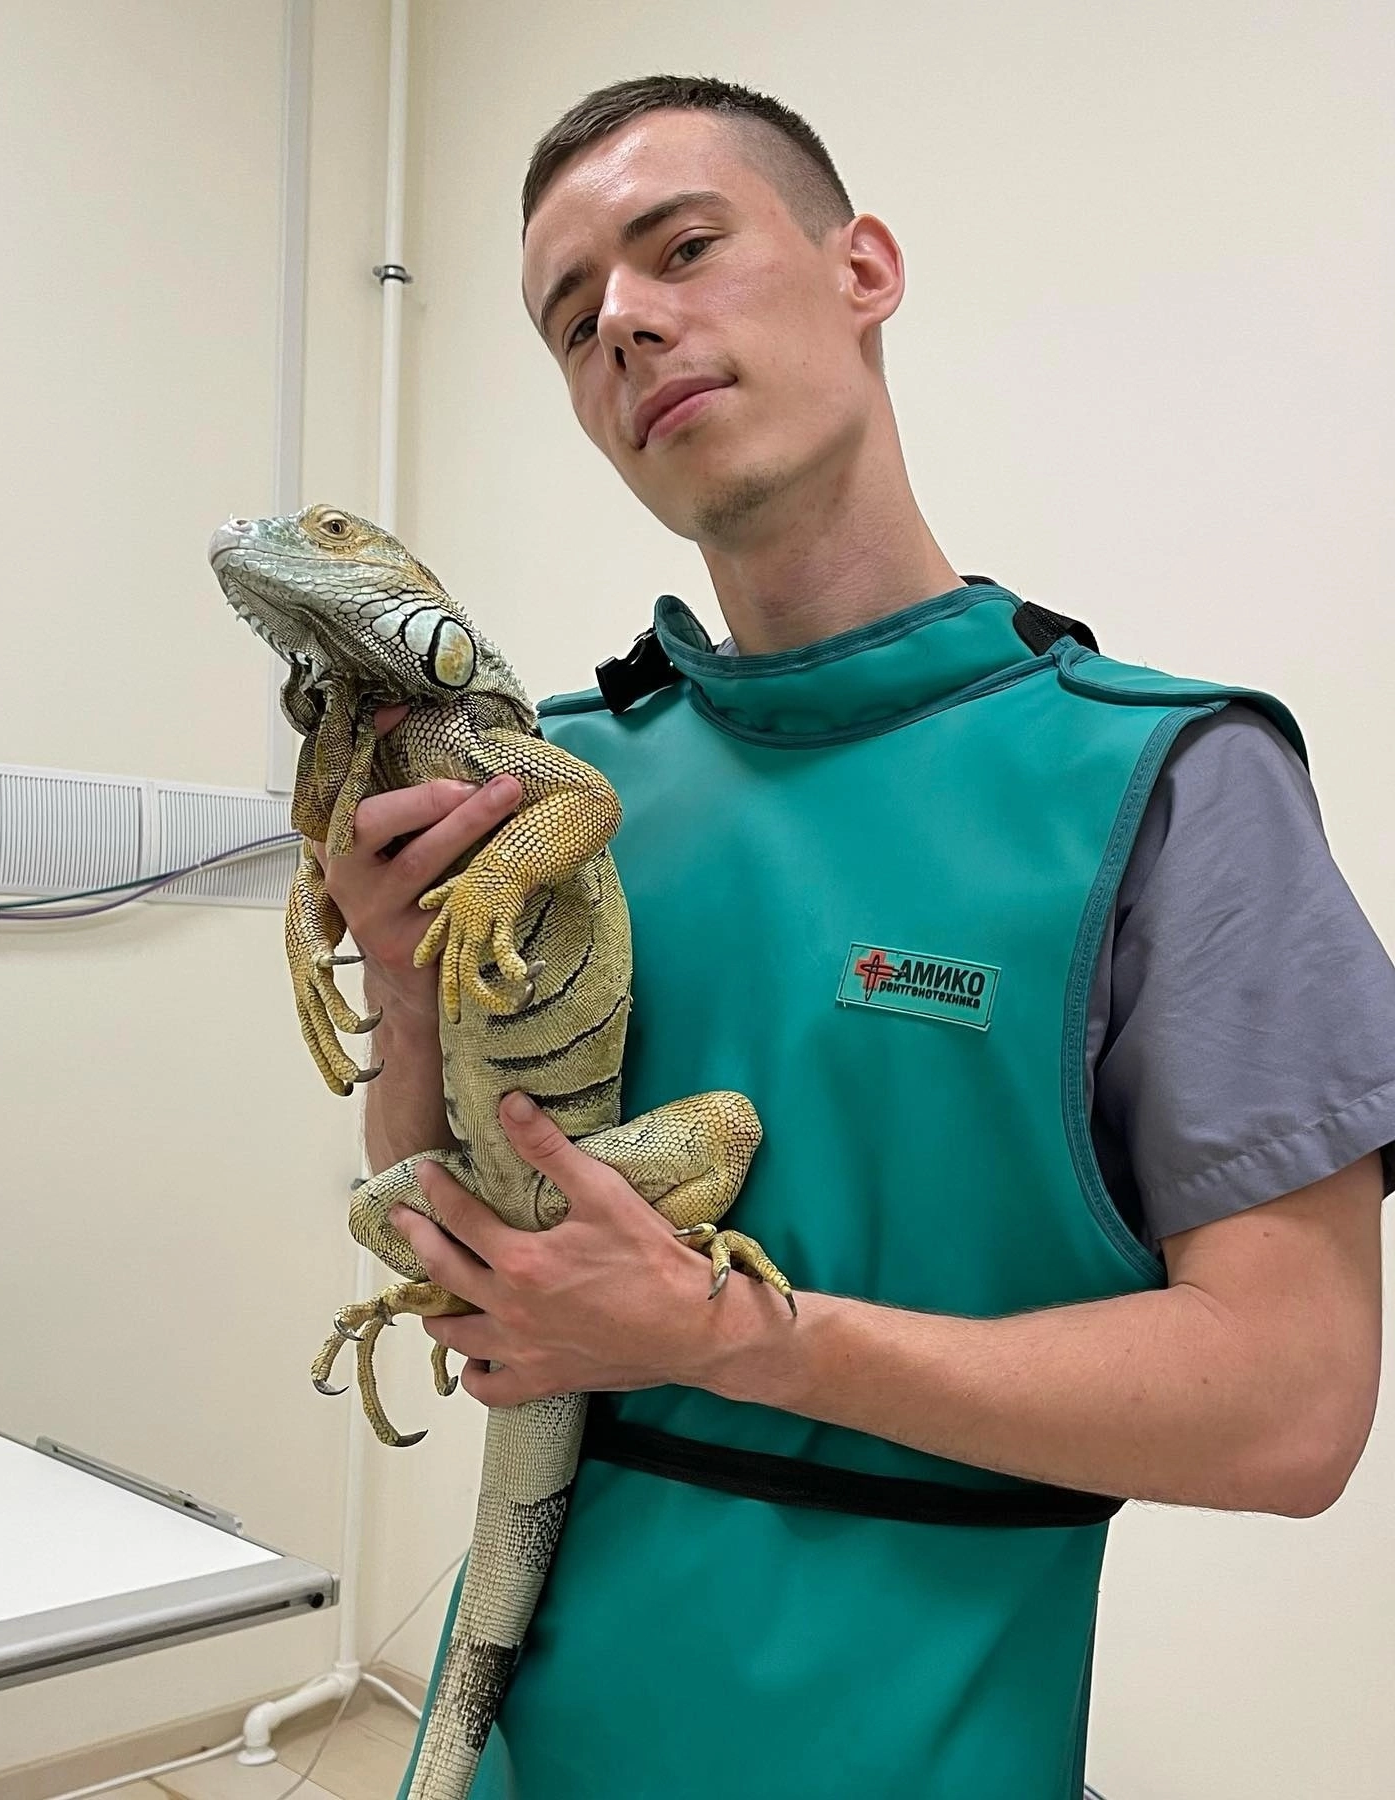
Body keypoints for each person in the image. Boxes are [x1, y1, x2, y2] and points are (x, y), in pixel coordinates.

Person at [314, 74, 1395, 1800]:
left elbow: (1290, 1406)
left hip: (907, 1741)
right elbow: (478, 1251)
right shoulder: (558, 781)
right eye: (573, 319)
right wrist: (404, 991)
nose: (630, 325)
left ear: (863, 268)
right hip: (519, 1719)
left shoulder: (1166, 785)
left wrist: (728, 1338)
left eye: (683, 247)